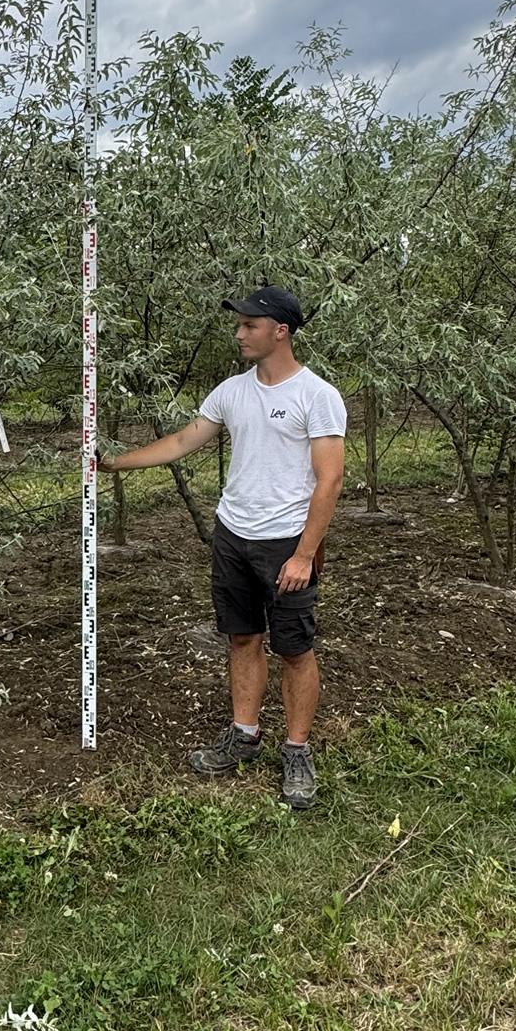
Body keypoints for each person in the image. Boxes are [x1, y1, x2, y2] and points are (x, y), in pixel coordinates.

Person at [99, 286, 346, 809]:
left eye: (249, 325)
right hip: (233, 535)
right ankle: (244, 734)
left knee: (295, 650)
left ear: (280, 330)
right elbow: (184, 441)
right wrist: (115, 462)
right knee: (241, 639)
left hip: (286, 542)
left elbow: (330, 481)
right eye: (239, 325)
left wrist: (303, 554)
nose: (239, 333)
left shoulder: (317, 395)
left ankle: (297, 751)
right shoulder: (231, 391)